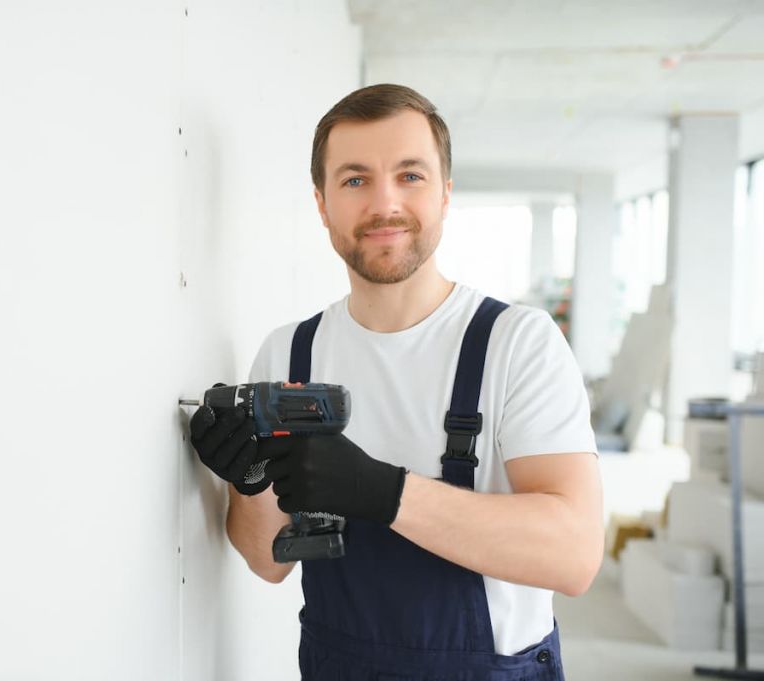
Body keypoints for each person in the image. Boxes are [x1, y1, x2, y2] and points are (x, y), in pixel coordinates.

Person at [189, 83, 603, 681]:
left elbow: (574, 555)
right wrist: (250, 482)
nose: (385, 204)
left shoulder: (517, 344)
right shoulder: (289, 354)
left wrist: (384, 492)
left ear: (444, 194)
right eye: (355, 179)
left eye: (409, 175)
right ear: (322, 204)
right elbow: (266, 561)